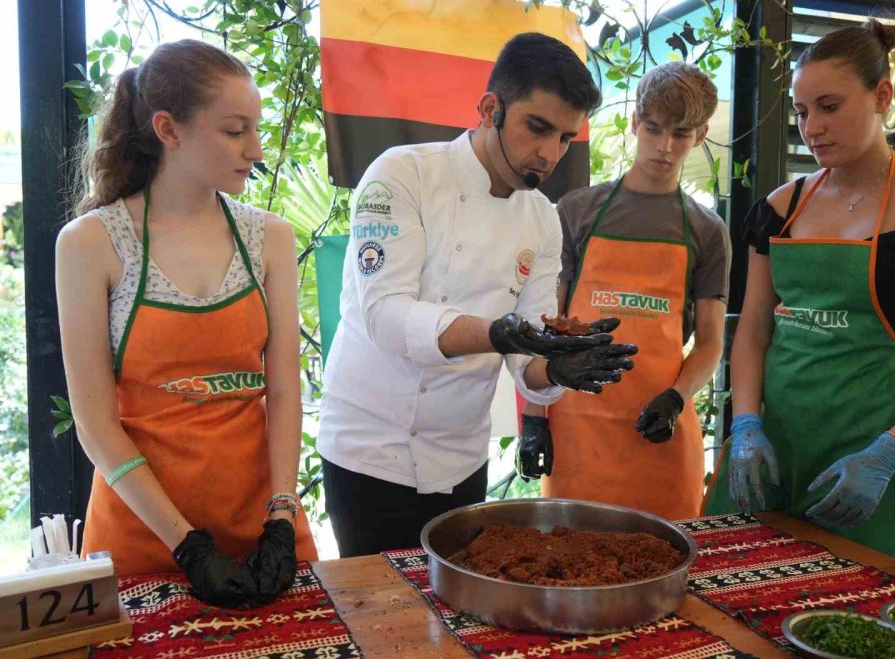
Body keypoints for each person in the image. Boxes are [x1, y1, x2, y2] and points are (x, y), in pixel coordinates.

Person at [318, 32, 638, 558]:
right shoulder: (402, 175)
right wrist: (495, 333)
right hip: (367, 451)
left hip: (462, 456)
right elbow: (385, 315)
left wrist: (557, 367)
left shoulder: (541, 220)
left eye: (564, 137)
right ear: (491, 108)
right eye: (538, 128)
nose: (549, 153)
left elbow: (527, 356)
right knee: (378, 614)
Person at [703, 20, 895, 562]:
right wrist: (745, 424)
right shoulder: (780, 208)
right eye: (801, 111)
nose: (812, 127)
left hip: (868, 454)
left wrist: (889, 454)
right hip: (772, 450)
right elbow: (753, 333)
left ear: (881, 95)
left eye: (829, 107)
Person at [56, 39, 317, 607]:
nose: (256, 148)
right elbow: (97, 427)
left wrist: (280, 517)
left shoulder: (268, 237)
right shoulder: (91, 243)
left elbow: (283, 391)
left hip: (258, 526)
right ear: (168, 130)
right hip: (140, 538)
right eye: (234, 130)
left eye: (256, 129)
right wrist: (188, 547)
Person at [521, 62, 730, 521]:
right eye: (653, 128)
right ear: (634, 123)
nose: (664, 146)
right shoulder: (576, 212)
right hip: (577, 432)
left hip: (662, 434)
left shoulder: (707, 231)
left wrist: (676, 399)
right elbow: (544, 329)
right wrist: (533, 420)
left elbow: (712, 343)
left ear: (700, 135)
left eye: (681, 133)